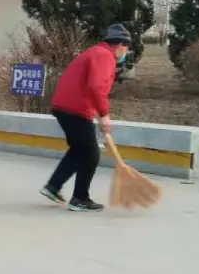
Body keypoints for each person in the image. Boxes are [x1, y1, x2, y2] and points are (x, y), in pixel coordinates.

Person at [41, 23, 131, 212]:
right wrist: (105, 114)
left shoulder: (96, 52)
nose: (126, 52)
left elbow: (90, 86)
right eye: (127, 47)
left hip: (66, 106)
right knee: (91, 152)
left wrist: (97, 111)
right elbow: (96, 87)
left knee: (79, 149)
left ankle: (53, 186)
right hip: (75, 108)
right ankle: (80, 198)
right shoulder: (105, 56)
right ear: (120, 45)